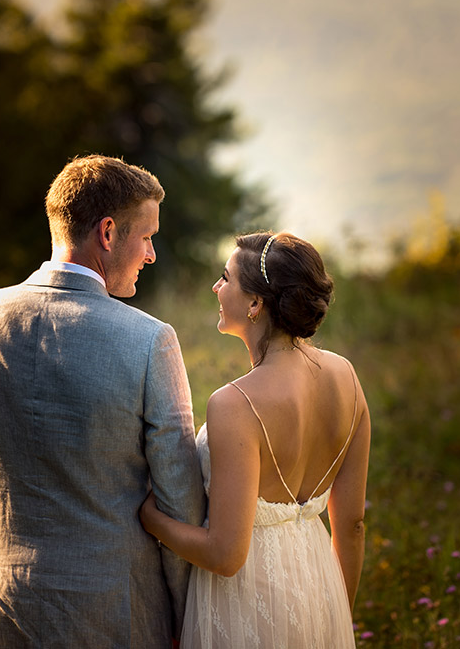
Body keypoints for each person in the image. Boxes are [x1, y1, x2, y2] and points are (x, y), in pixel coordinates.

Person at [0, 154, 207, 648]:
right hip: (117, 619)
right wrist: (187, 618)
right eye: (147, 237)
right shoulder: (149, 341)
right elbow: (178, 501)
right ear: (107, 233)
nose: (151, 254)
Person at [140, 231, 370, 649]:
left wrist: (150, 519)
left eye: (225, 278)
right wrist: (337, 611)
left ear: (254, 304)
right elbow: (352, 526)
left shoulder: (234, 403)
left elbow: (225, 556)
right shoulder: (347, 378)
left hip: (246, 603)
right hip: (322, 589)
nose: (216, 287)